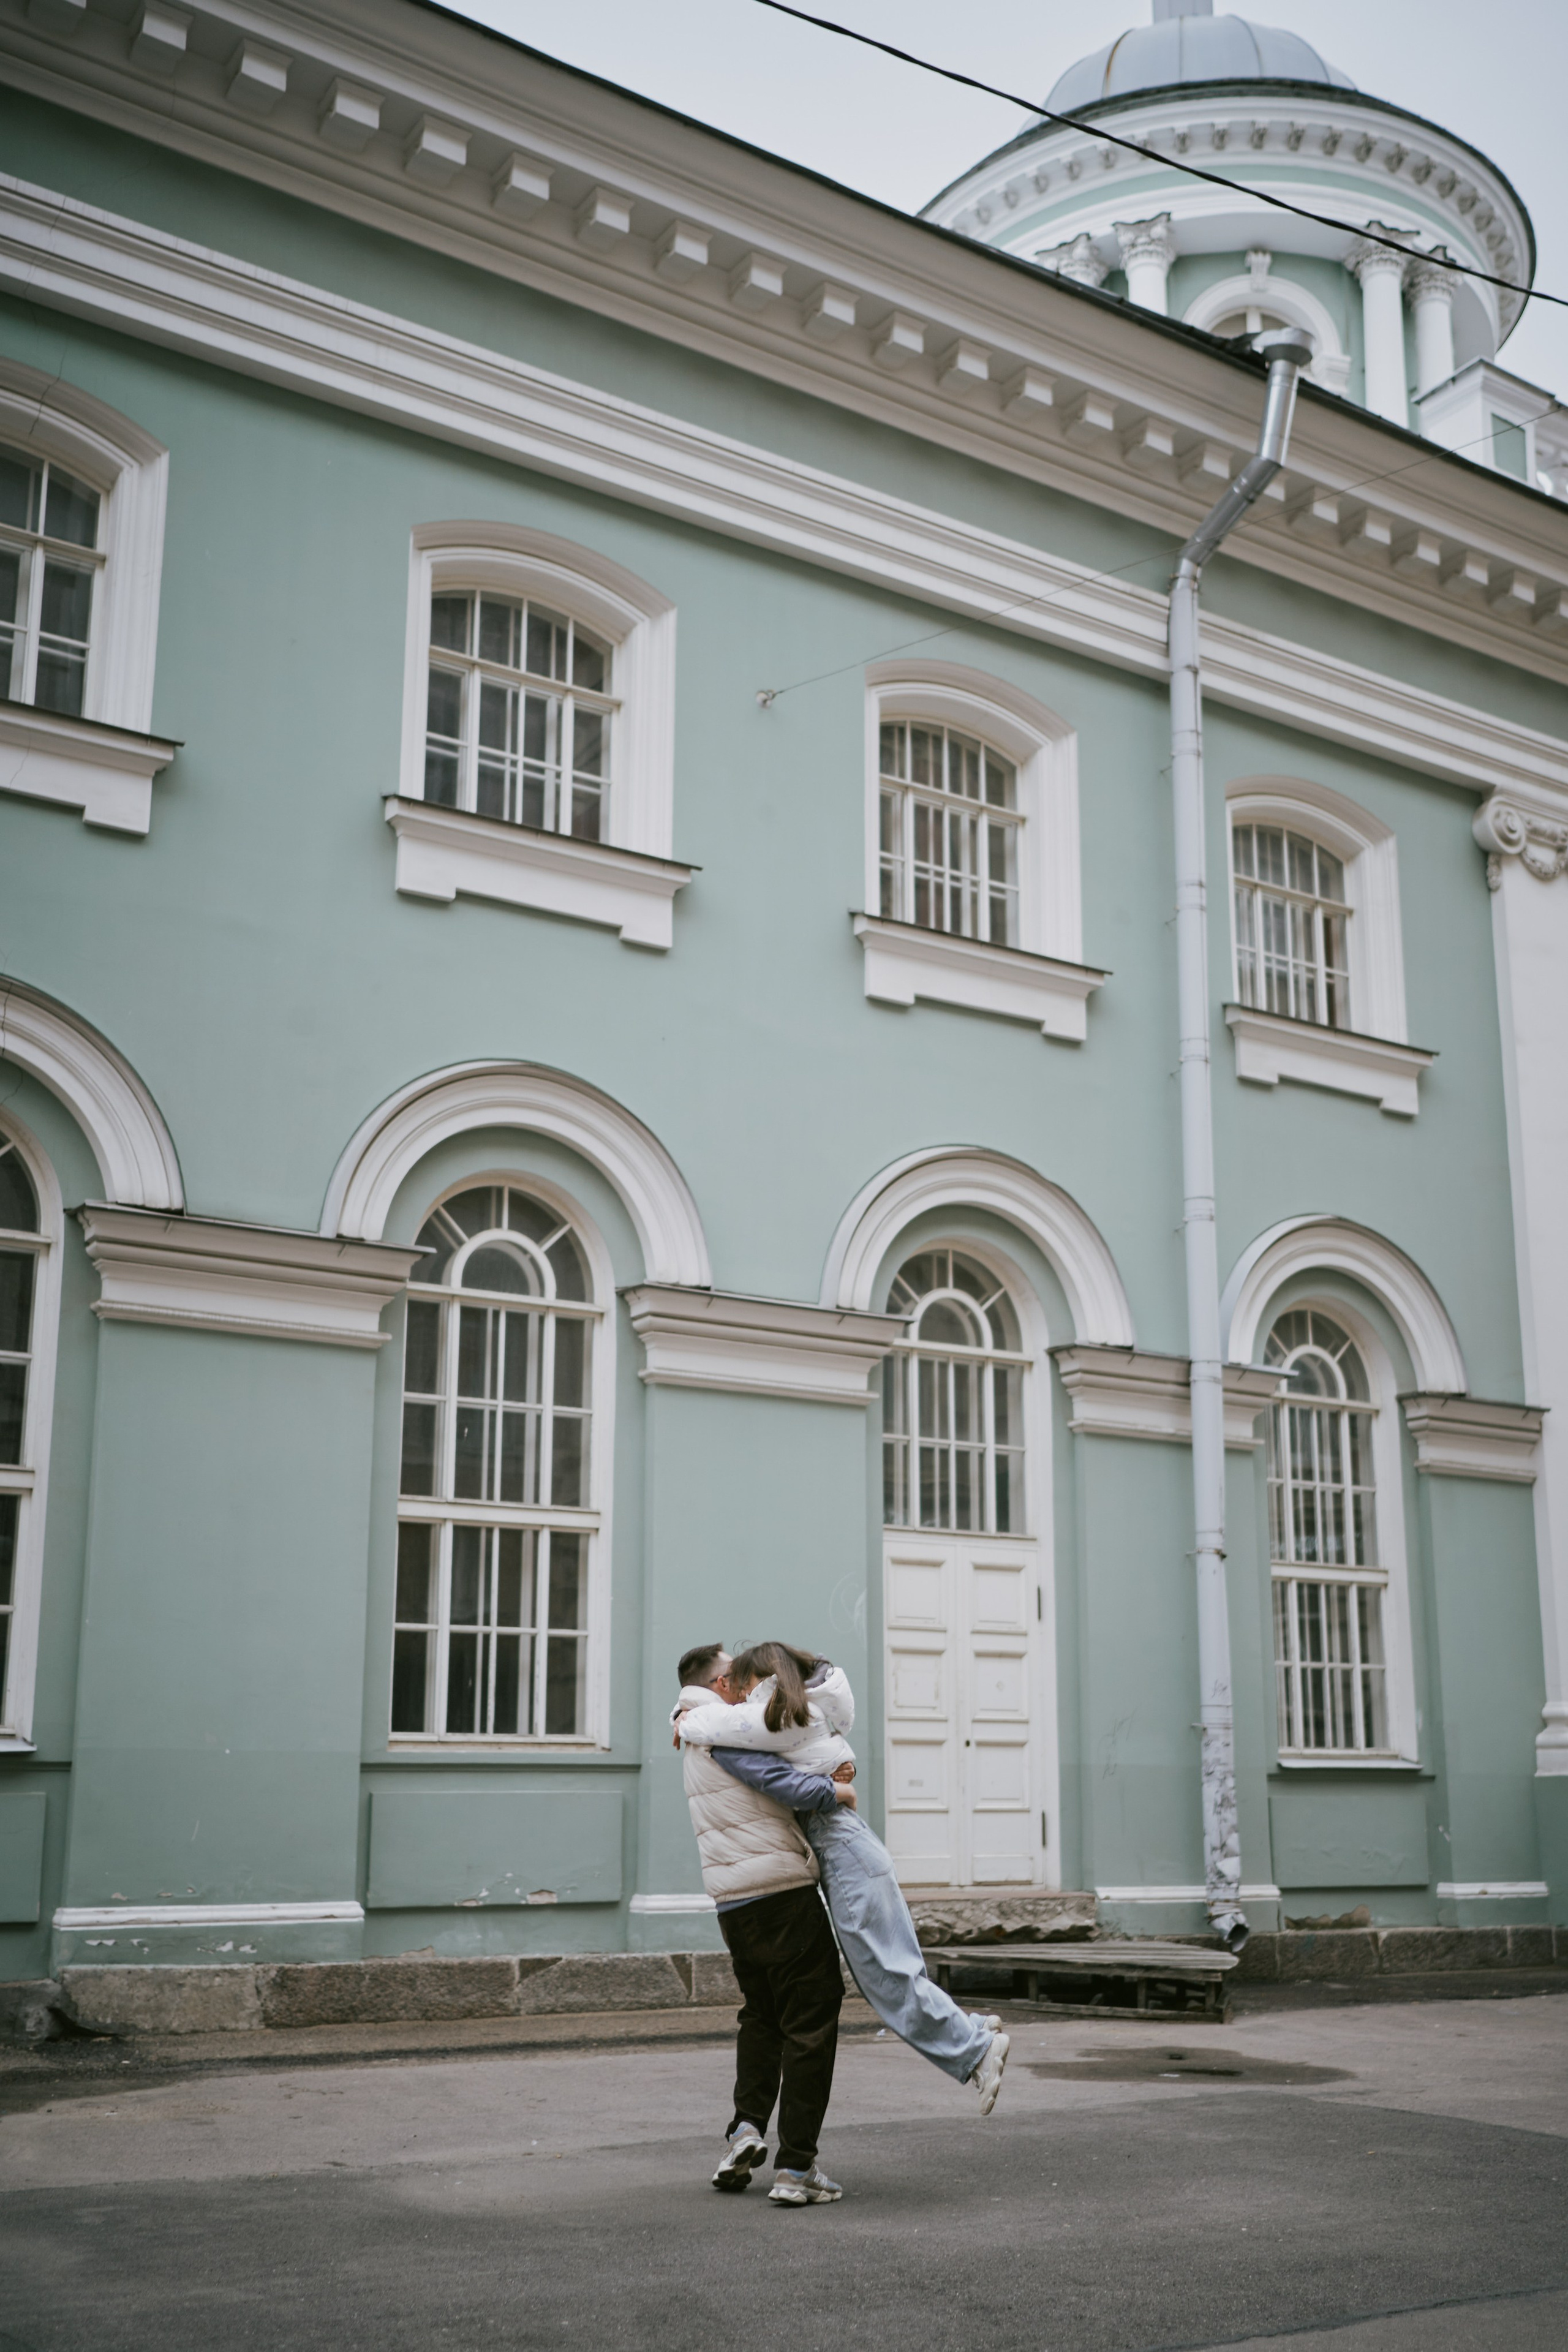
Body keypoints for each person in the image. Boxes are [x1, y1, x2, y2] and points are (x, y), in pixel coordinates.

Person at [676, 1642, 1009, 2125]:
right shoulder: (791, 1710)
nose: (738, 1693)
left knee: (883, 1975)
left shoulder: (774, 1718)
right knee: (892, 1967)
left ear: (764, 1681)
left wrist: (683, 1716)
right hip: (848, 1846)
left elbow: (719, 1729)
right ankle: (971, 2031)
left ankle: (976, 2049)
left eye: (744, 1684)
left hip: (843, 1846)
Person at [673, 1640, 850, 2206]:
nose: (745, 1681)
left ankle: (744, 2132)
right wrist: (836, 1790)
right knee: (812, 2021)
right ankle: (796, 2168)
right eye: (733, 1675)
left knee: (763, 2018)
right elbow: (785, 1784)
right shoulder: (723, 1730)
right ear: (717, 1685)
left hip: (732, 1901)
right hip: (780, 1892)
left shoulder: (694, 1731)